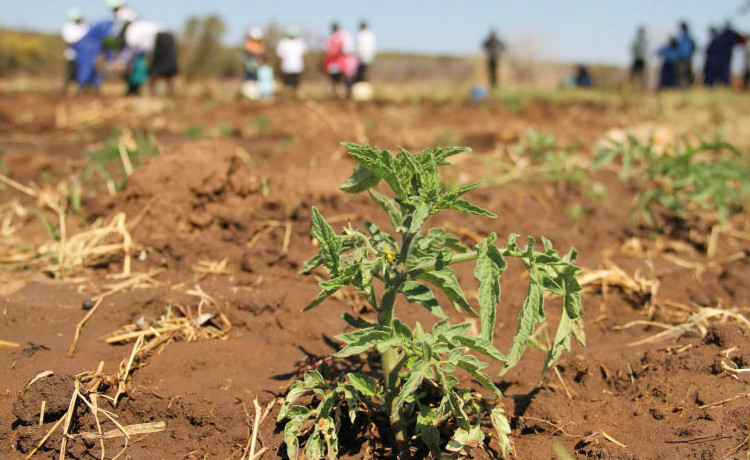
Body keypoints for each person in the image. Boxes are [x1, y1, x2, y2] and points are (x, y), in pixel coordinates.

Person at [117, 17, 179, 96]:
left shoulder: (131, 30)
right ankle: (172, 95)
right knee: (169, 69)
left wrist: (123, 62)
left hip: (160, 39)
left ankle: (153, 95)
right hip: (167, 37)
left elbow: (132, 49)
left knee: (158, 69)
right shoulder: (139, 26)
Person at [62, 7, 89, 94]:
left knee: (81, 72)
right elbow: (69, 40)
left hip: (84, 55)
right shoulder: (68, 27)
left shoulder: (84, 27)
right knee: (70, 72)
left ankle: (81, 88)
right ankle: (65, 89)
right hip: (72, 54)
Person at [276, 26, 306, 93]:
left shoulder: (283, 43)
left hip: (292, 67)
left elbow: (280, 57)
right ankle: (290, 96)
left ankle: (292, 97)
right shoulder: (299, 42)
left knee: (291, 83)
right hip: (290, 67)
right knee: (290, 84)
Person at [324, 22, 351, 97]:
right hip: (332, 63)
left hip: (340, 63)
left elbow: (343, 49)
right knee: (334, 79)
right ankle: (335, 94)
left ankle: (344, 94)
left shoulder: (341, 36)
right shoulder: (331, 38)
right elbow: (329, 50)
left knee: (342, 79)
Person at [676, 21, 696, 88]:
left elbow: (679, 48)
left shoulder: (682, 37)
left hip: (683, 58)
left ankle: (684, 87)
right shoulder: (689, 37)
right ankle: (687, 87)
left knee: (683, 74)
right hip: (687, 58)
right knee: (687, 73)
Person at [630, 26, 648, 90]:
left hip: (642, 60)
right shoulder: (637, 40)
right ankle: (632, 88)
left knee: (641, 75)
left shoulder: (645, 41)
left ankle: (643, 89)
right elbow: (633, 49)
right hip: (637, 59)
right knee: (633, 75)